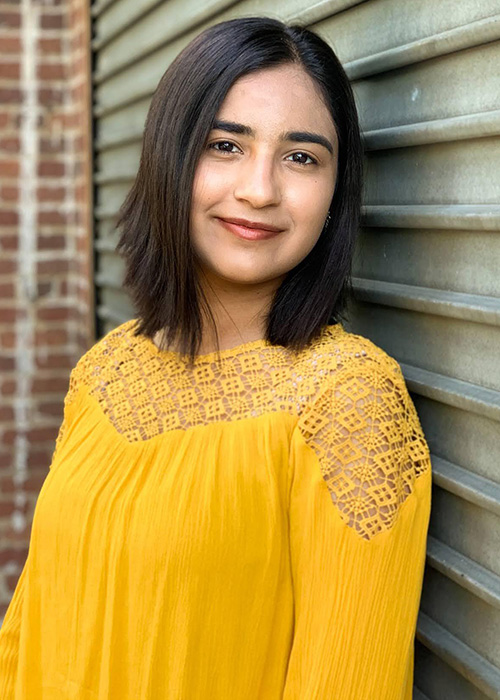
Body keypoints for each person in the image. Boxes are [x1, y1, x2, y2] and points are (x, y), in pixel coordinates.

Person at [0, 16, 432, 699]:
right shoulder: (106, 371)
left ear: (334, 193)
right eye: (225, 145)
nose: (260, 189)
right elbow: (31, 626)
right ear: (169, 157)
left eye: (301, 157)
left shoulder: (348, 402)